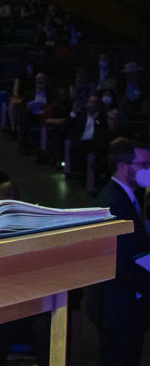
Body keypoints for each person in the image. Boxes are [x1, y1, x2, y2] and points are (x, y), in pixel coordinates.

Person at [86, 138, 150, 366]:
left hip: (127, 304)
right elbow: (118, 263)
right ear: (123, 166)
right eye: (144, 165)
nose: (148, 170)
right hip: (118, 307)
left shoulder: (126, 196)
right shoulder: (114, 203)